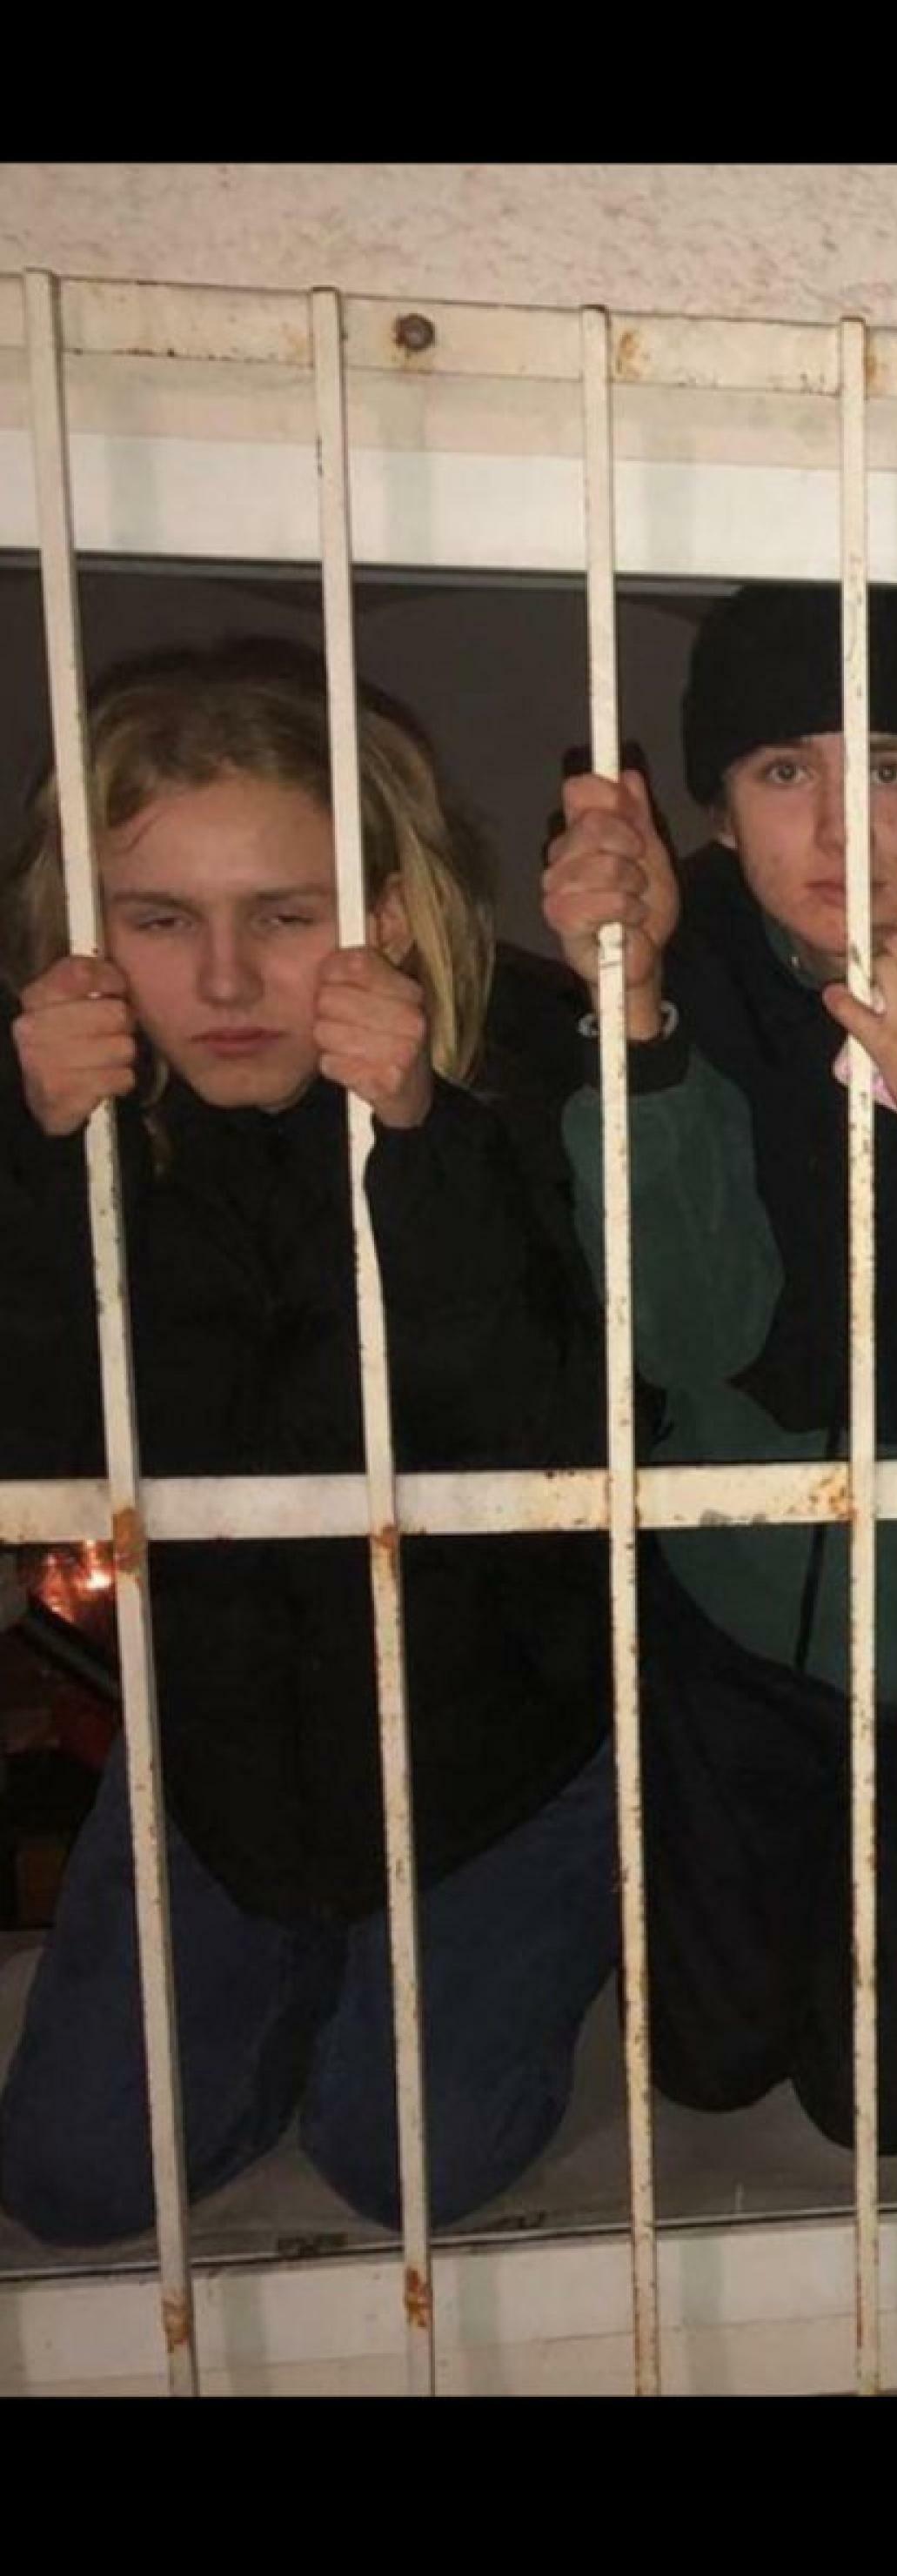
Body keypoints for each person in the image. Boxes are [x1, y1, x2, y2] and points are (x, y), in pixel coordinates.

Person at [0, 644, 613, 2245]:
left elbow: (550, 1445)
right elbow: (37, 1450)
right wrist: (49, 1159)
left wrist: (416, 1137)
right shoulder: (71, 1094)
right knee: (70, 2182)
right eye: (159, 921)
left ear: (390, 914)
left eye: (282, 916)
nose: (220, 984)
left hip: (497, 1749)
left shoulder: (533, 1060)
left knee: (401, 2165)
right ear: (89, 934)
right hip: (220, 1745)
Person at [540, 582, 897, 2154]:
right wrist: (635, 1013)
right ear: (714, 811)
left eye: (892, 768)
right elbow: (689, 1335)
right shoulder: (688, 962)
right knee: (702, 2064)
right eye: (787, 770)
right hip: (736, 1612)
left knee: (883, 2105)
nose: (844, 826)